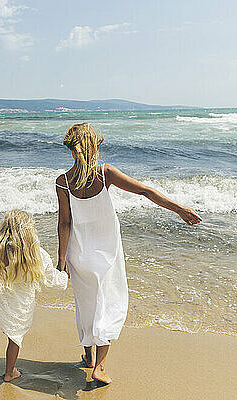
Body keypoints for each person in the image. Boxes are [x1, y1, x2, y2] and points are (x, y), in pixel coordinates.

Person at [55, 123, 202, 384]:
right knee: (109, 305)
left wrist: (61, 257)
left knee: (86, 305)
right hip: (106, 254)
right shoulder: (105, 173)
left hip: (78, 255)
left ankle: (88, 356)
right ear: (94, 146)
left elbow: (64, 222)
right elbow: (145, 191)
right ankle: (99, 366)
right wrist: (179, 208)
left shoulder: (62, 182)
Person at [0, 182, 68, 382]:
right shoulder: (36, 255)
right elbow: (53, 280)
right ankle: (10, 373)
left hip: (0, 299)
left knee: (9, 331)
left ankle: (10, 367)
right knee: (15, 338)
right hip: (20, 305)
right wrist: (65, 274)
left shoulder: (0, 247)